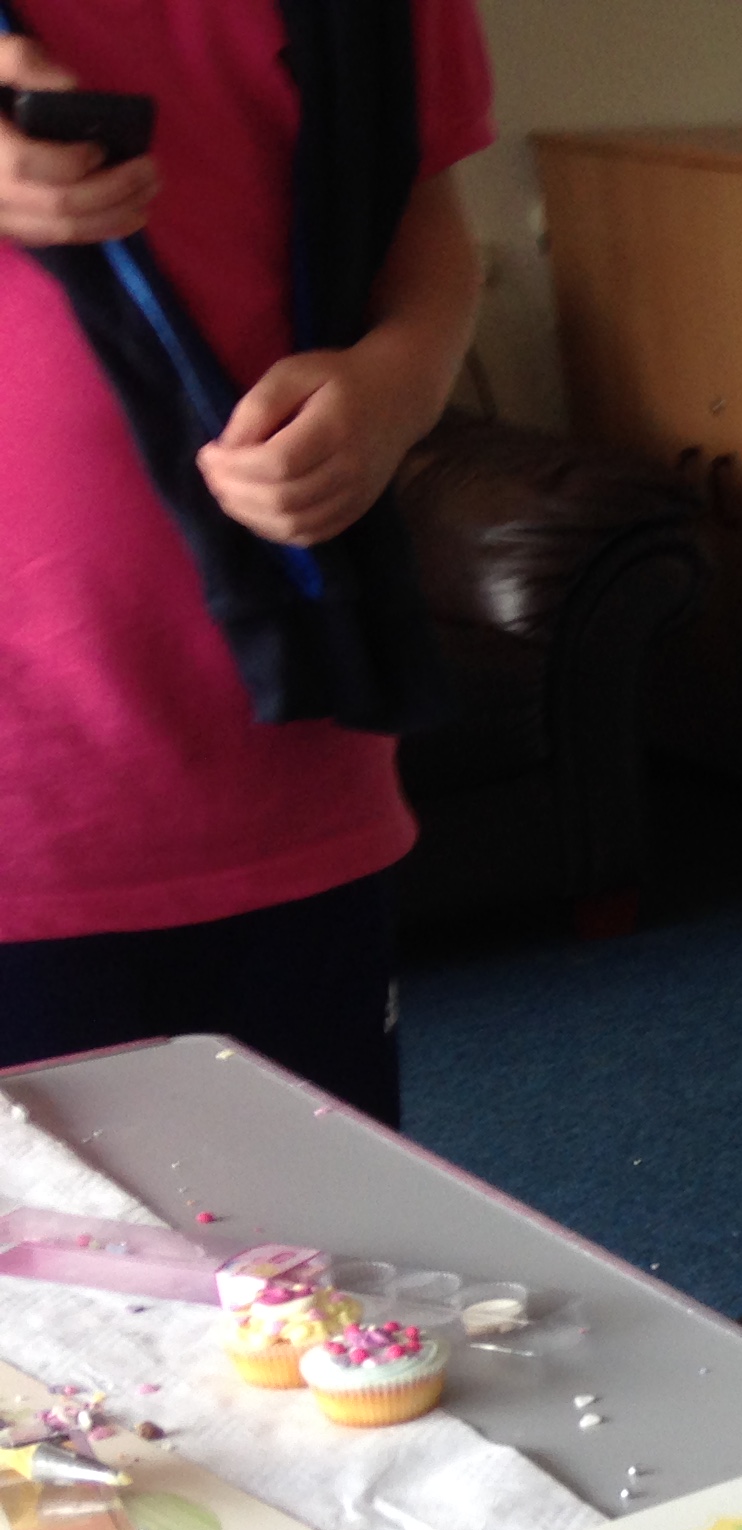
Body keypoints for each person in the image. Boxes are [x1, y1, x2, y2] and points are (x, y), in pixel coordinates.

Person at [0, 0, 490, 1121]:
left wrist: (395, 389)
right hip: (23, 801)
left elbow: (424, 218)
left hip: (288, 763)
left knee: (312, 1227)